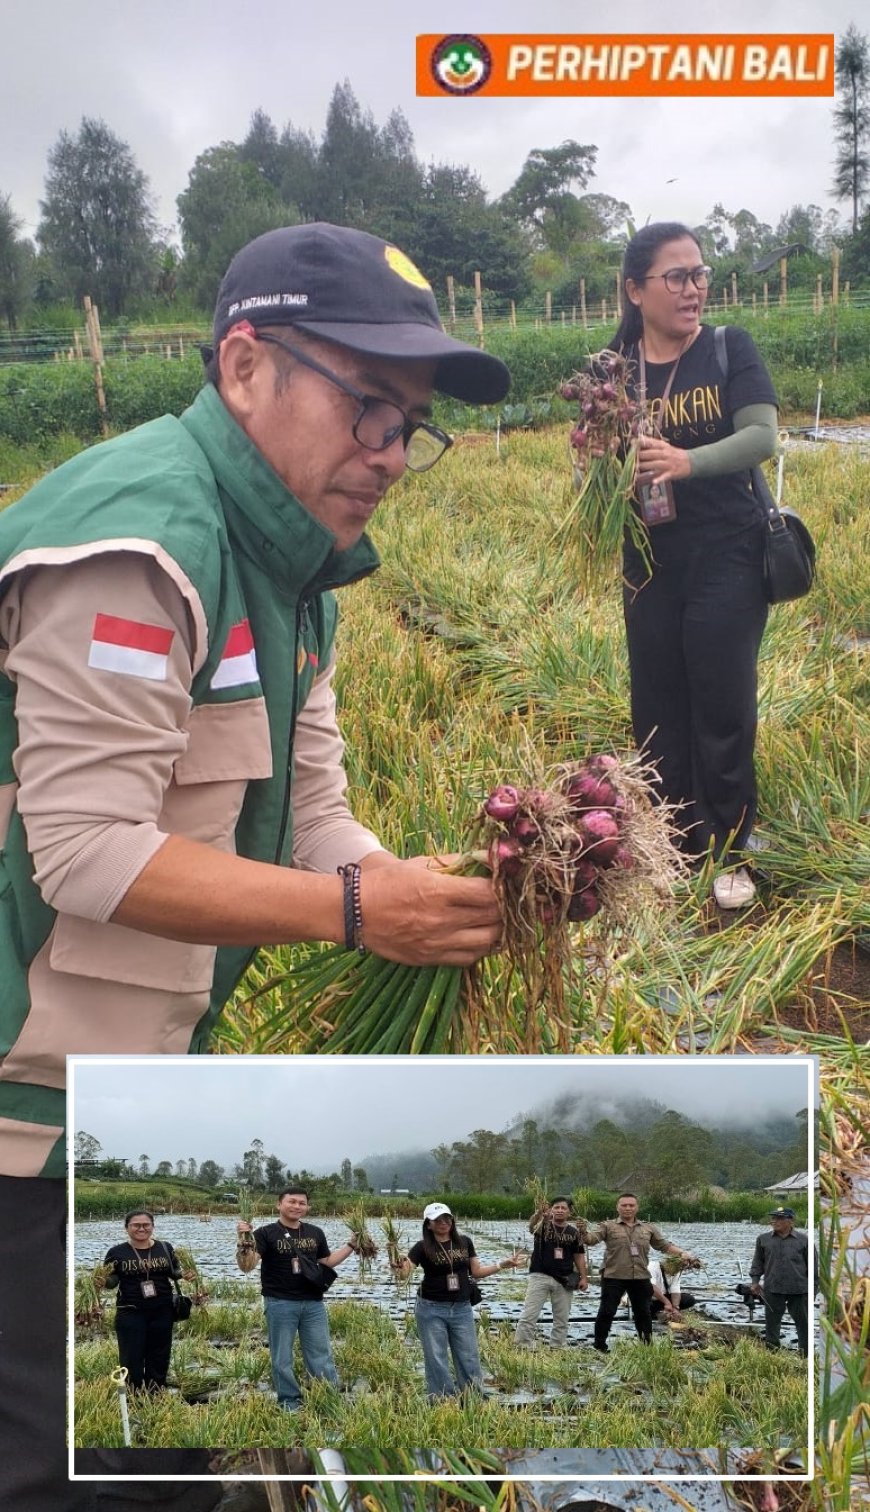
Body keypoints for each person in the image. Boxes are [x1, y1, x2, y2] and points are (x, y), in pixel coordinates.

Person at [0, 222, 509, 1510]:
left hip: (119, 1090)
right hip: (21, 1114)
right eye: (368, 405)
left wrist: (425, 892)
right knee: (74, 1472)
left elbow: (315, 820)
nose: (388, 453)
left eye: (412, 427)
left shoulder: (295, 573)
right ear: (243, 366)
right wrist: (358, 911)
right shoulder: (142, 540)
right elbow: (85, 853)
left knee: (149, 1442)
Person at [606, 222, 779, 909]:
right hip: (648, 560)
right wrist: (604, 472)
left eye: (699, 274)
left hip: (728, 551)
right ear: (636, 290)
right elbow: (592, 456)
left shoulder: (728, 347)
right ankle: (672, 843)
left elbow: (762, 436)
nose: (693, 288)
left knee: (721, 702)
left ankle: (732, 848)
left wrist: (686, 462)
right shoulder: (615, 369)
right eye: (676, 276)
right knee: (656, 704)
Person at [235, 1186, 356, 1412]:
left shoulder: (315, 1232)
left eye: (302, 1203)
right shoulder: (264, 1233)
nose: (297, 1206)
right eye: (291, 1201)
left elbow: (327, 1261)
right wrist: (243, 1241)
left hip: (313, 1303)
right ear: (279, 1204)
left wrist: (351, 1245)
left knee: (321, 1354)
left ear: (307, 1207)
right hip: (280, 1302)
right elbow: (247, 1267)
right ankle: (289, 1403)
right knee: (282, 1357)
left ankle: (329, 1399)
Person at [390, 1201, 524, 1399]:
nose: (443, 1223)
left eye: (447, 1218)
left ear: (452, 1221)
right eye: (437, 1220)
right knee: (436, 1356)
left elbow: (476, 1272)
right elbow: (404, 1274)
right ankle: (442, 1398)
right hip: (431, 1308)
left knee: (468, 1355)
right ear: (428, 1224)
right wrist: (398, 1266)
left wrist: (502, 1264)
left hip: (461, 1307)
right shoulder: (422, 1247)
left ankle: (473, 1397)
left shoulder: (464, 1242)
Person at [585, 1193, 698, 1352]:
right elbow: (590, 1240)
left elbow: (664, 1245)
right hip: (614, 1276)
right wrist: (582, 1232)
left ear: (637, 1207)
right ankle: (599, 1345)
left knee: (643, 1313)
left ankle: (646, 1346)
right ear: (617, 1207)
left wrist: (683, 1253)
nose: (628, 1208)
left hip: (640, 1276)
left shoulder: (648, 1228)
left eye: (631, 1205)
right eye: (624, 1205)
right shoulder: (607, 1226)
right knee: (607, 1311)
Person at [101, 1211, 184, 1391]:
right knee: (131, 1356)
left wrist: (185, 1273)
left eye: (146, 1225)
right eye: (136, 1225)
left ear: (152, 1227)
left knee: (159, 1354)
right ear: (126, 1228)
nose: (141, 1228)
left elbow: (174, 1272)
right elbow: (112, 1281)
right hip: (130, 1310)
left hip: (162, 1309)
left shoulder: (165, 1247)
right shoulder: (116, 1252)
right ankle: (134, 1394)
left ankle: (156, 1392)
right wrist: (103, 1281)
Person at [514, 1195, 588, 1348]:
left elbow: (579, 1255)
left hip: (565, 1278)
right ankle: (522, 1345)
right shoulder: (543, 1226)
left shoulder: (574, 1233)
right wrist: (540, 1214)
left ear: (569, 1212)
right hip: (540, 1275)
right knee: (529, 1314)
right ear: (551, 1210)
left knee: (562, 1318)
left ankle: (558, 1346)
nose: (560, 1210)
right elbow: (532, 1226)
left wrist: (583, 1277)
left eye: (563, 1208)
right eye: (556, 1207)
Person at [749, 1206, 817, 1357]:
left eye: (779, 1218)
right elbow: (757, 1263)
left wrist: (813, 1290)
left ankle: (805, 1356)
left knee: (804, 1324)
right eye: (773, 1218)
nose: (774, 1221)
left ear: (790, 1221)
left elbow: (813, 1268)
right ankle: (773, 1355)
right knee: (772, 1324)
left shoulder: (804, 1241)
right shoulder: (763, 1239)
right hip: (773, 1289)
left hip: (798, 1290)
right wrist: (755, 1281)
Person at [647, 1256, 698, 1321]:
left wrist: (675, 1308)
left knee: (689, 1299)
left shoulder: (676, 1271)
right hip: (647, 1299)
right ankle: (656, 1314)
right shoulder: (651, 1267)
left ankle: (668, 1313)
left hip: (660, 1300)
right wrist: (667, 1302)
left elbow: (675, 1290)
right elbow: (651, 1287)